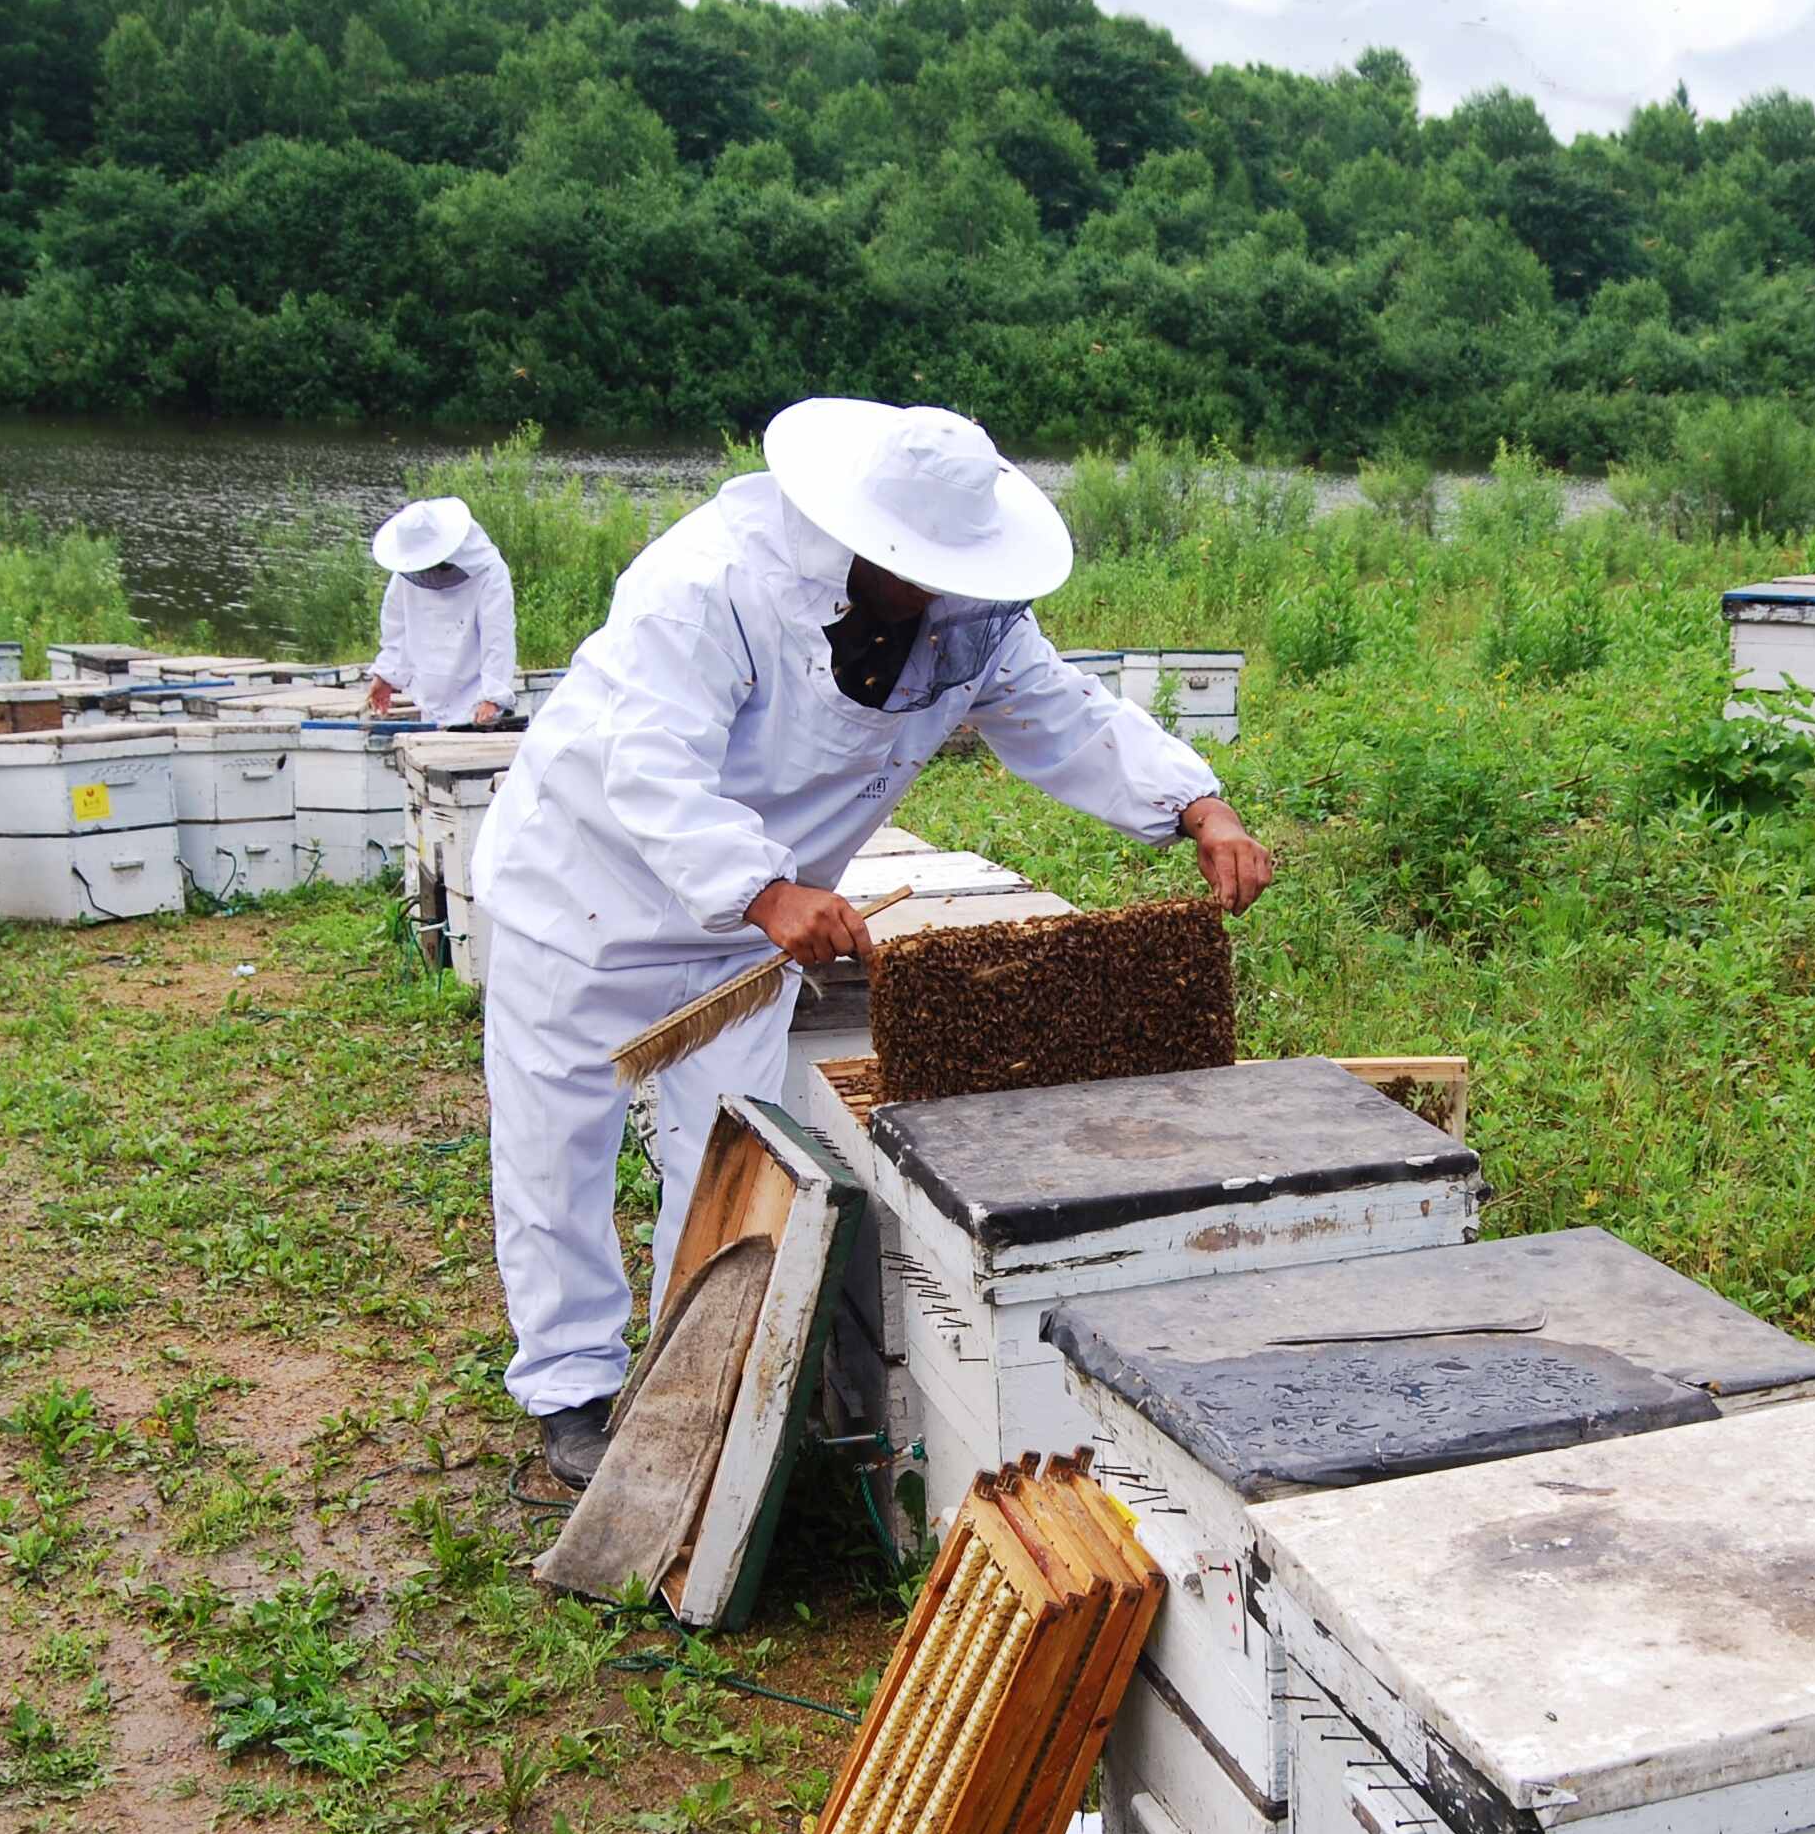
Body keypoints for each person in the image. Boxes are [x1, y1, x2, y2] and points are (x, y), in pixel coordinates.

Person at [469, 399, 1274, 1486]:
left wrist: (1197, 805)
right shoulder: (713, 579)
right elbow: (646, 757)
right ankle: (569, 1386)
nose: (950, 588)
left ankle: (684, 1381)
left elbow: (1067, 715)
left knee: (726, 1150)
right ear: (865, 538)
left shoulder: (973, 620)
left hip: (746, 941)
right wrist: (761, 886)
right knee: (556, 1145)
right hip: (585, 893)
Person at [363, 495, 518, 723]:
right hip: (425, 699)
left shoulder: (488, 570)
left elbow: (498, 637)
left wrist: (493, 696)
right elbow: (396, 626)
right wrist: (386, 675)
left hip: (476, 705)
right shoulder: (407, 571)